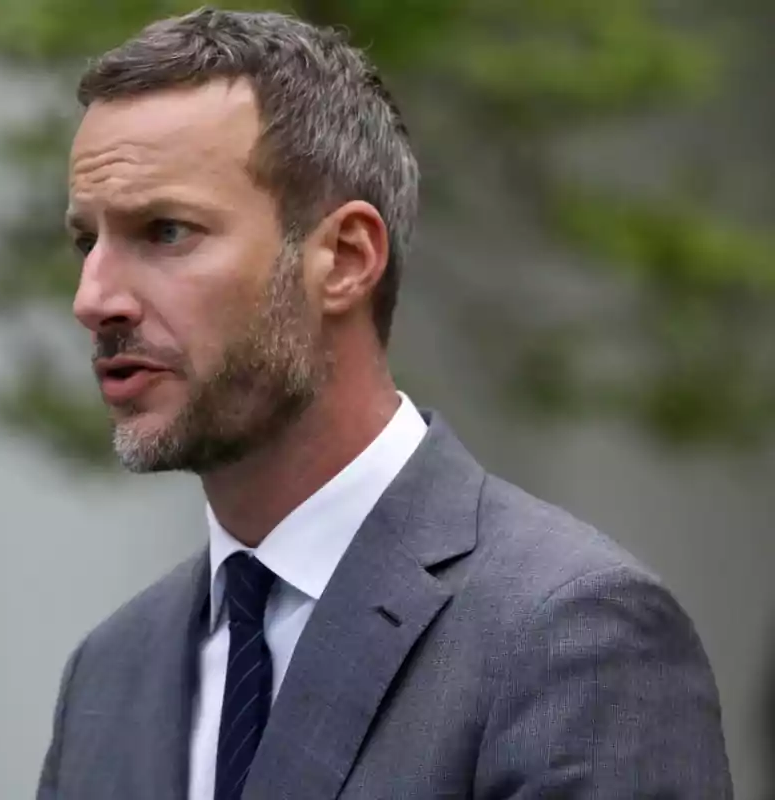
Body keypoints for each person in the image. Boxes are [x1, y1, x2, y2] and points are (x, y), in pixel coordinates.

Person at [37, 7, 732, 799]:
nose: (94, 299)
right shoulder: (110, 673)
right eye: (85, 242)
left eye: (165, 232)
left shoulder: (567, 632)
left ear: (344, 258)